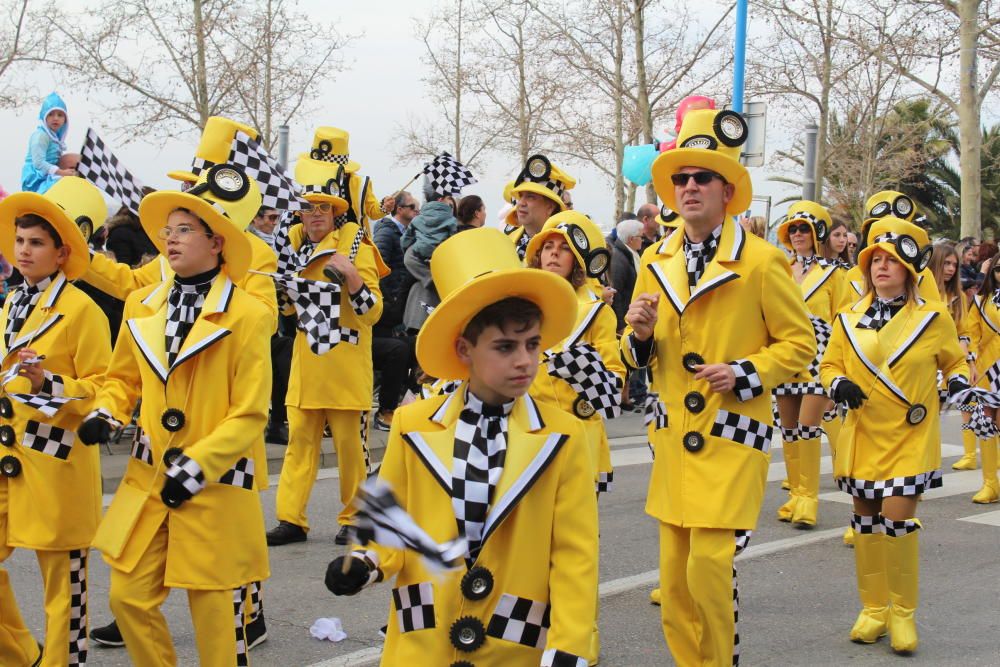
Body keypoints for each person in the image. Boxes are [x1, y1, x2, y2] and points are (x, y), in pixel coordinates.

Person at [325, 227, 598, 667]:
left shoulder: (562, 435)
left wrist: (570, 645)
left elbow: (574, 557)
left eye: (532, 344)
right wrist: (364, 561)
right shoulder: (413, 424)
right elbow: (391, 520)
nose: (525, 360)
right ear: (464, 349)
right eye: (505, 347)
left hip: (514, 637)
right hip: (424, 633)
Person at [621, 108, 814, 665]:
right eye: (680, 178)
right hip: (673, 435)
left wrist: (743, 372)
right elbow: (630, 351)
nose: (688, 187)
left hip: (730, 433)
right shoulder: (654, 259)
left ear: (727, 191)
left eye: (701, 177)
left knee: (708, 569)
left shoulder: (761, 261)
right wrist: (636, 336)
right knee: (673, 585)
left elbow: (799, 346)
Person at [82, 116, 277, 650]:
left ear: (217, 241)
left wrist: (199, 464)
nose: (169, 236)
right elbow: (122, 378)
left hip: (213, 480)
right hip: (149, 477)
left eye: (183, 228)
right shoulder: (144, 303)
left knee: (214, 618)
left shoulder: (249, 310)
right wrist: (107, 410)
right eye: (168, 227)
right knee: (127, 599)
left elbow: (251, 411)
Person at [819, 216, 968, 654]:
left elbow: (954, 363)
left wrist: (958, 385)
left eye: (892, 259)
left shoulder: (932, 317)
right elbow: (829, 366)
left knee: (898, 520)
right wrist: (835, 385)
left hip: (909, 433)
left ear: (909, 268)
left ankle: (903, 613)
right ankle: (873, 610)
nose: (882, 266)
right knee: (865, 522)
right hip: (863, 432)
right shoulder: (847, 317)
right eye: (875, 259)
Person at [0, 177, 111, 666]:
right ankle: (21, 652)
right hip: (8, 457)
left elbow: (103, 390)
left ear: (61, 252)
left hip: (56, 462)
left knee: (63, 589)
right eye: (20, 241)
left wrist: (49, 383)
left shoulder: (84, 310)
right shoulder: (11, 301)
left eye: (36, 243)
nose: (24, 251)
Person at [267, 135, 384, 547]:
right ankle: (291, 519)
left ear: (336, 213)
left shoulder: (357, 247)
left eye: (323, 208)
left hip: (346, 363)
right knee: (299, 446)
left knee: (352, 450)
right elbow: (287, 314)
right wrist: (284, 296)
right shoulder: (293, 251)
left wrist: (352, 278)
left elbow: (373, 311)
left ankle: (356, 518)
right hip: (307, 363)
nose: (315, 215)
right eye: (308, 208)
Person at [772, 201, 852, 530]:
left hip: (820, 361)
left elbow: (846, 323)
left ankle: (808, 497)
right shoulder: (780, 270)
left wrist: (840, 372)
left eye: (804, 227)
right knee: (788, 428)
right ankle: (795, 493)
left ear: (818, 232)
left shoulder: (835, 275)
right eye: (792, 228)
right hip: (785, 357)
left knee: (808, 426)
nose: (797, 234)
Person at [929, 243, 978, 471]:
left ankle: (969, 455)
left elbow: (964, 331)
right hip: (925, 363)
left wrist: (969, 361)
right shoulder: (920, 292)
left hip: (952, 363)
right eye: (946, 263)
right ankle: (923, 471)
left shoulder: (957, 295)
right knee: (926, 420)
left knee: (967, 406)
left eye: (954, 265)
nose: (950, 269)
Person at [844, 192, 940, 303]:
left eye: (890, 227)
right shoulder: (852, 274)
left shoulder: (923, 274)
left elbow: (932, 313)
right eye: (875, 228)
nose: (883, 234)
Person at [304, 127, 394, 235]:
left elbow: (372, 211)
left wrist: (384, 207)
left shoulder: (359, 183)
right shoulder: (308, 181)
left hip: (354, 238)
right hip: (319, 238)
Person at [966, 253, 1000, 504]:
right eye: (999, 268)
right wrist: (971, 363)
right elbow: (971, 334)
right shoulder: (980, 300)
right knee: (987, 426)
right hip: (988, 369)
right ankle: (990, 483)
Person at [504, 155, 576, 260]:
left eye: (530, 197)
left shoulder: (568, 245)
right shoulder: (508, 241)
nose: (521, 203)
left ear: (550, 207)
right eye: (521, 196)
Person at [21, 93, 78, 194]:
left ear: (65, 120)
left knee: (74, 160)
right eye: (51, 114)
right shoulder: (41, 136)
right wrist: (62, 173)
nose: (55, 118)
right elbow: (38, 163)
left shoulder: (55, 138)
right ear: (44, 117)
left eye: (60, 115)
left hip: (48, 173)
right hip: (36, 178)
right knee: (67, 182)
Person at [400, 178, 457, 261]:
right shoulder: (451, 220)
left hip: (420, 256)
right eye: (447, 198)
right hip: (441, 258)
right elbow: (454, 241)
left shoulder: (417, 219)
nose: (449, 203)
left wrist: (407, 251)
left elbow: (405, 241)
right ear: (440, 199)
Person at [609, 219, 643, 332]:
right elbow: (615, 293)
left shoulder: (630, 254)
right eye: (640, 237)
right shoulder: (618, 259)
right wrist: (620, 326)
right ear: (631, 239)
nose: (642, 240)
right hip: (624, 321)